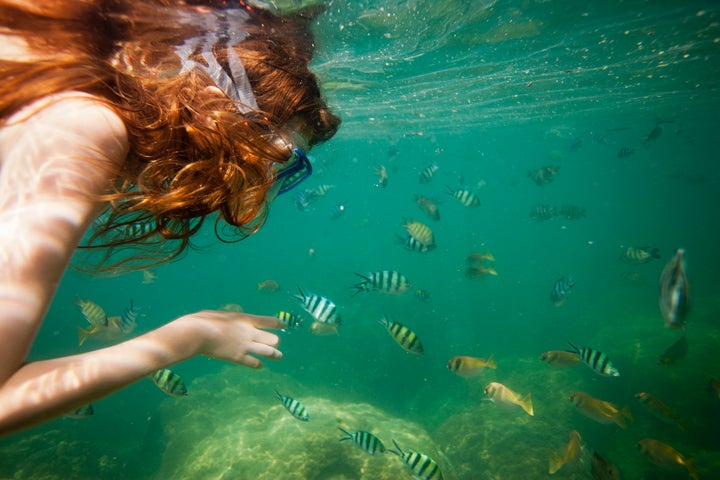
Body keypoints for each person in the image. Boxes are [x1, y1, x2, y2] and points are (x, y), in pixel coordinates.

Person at [0, 0, 340, 436]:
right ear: (230, 119)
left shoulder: (107, 130)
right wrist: (188, 337)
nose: (264, 181)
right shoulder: (90, 128)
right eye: (278, 157)